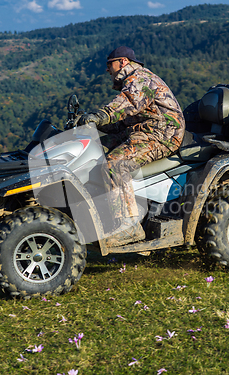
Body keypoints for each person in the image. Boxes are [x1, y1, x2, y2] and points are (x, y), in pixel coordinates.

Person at [78, 46, 185, 247]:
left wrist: (100, 116)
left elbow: (125, 104)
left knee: (116, 164)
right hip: (142, 131)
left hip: (162, 134)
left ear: (123, 62)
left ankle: (129, 227)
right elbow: (121, 122)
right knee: (94, 149)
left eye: (110, 64)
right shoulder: (133, 80)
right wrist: (90, 123)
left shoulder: (141, 80)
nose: (108, 70)